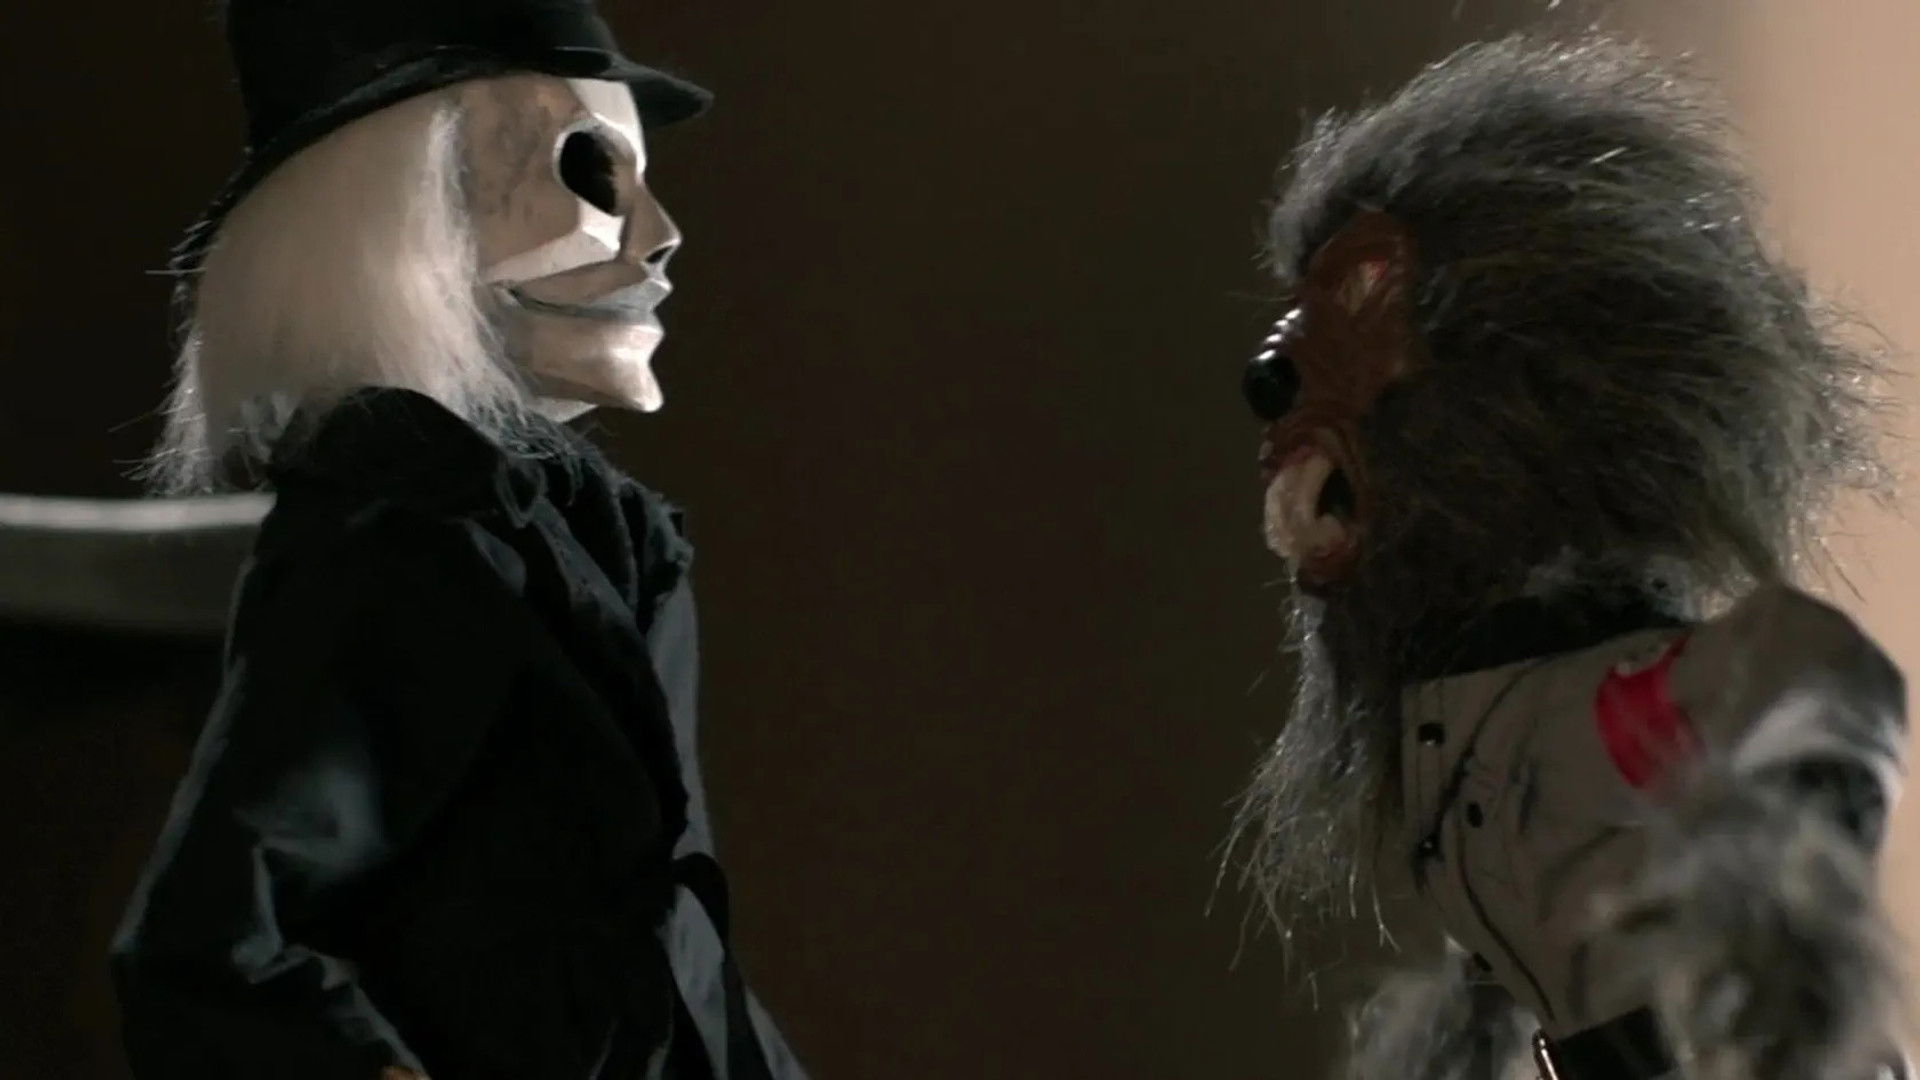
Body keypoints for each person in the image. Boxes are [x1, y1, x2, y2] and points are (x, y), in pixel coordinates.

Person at [109, 1, 805, 1076]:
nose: (660, 233)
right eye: (589, 170)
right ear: (402, 212)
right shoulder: (398, 531)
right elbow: (211, 943)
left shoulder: (599, 533)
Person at [1231, 36, 1908, 1080]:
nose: (1279, 394)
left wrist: (1790, 887)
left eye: (1360, 300)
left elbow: (1812, 668)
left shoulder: (1612, 712)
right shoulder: (1465, 737)